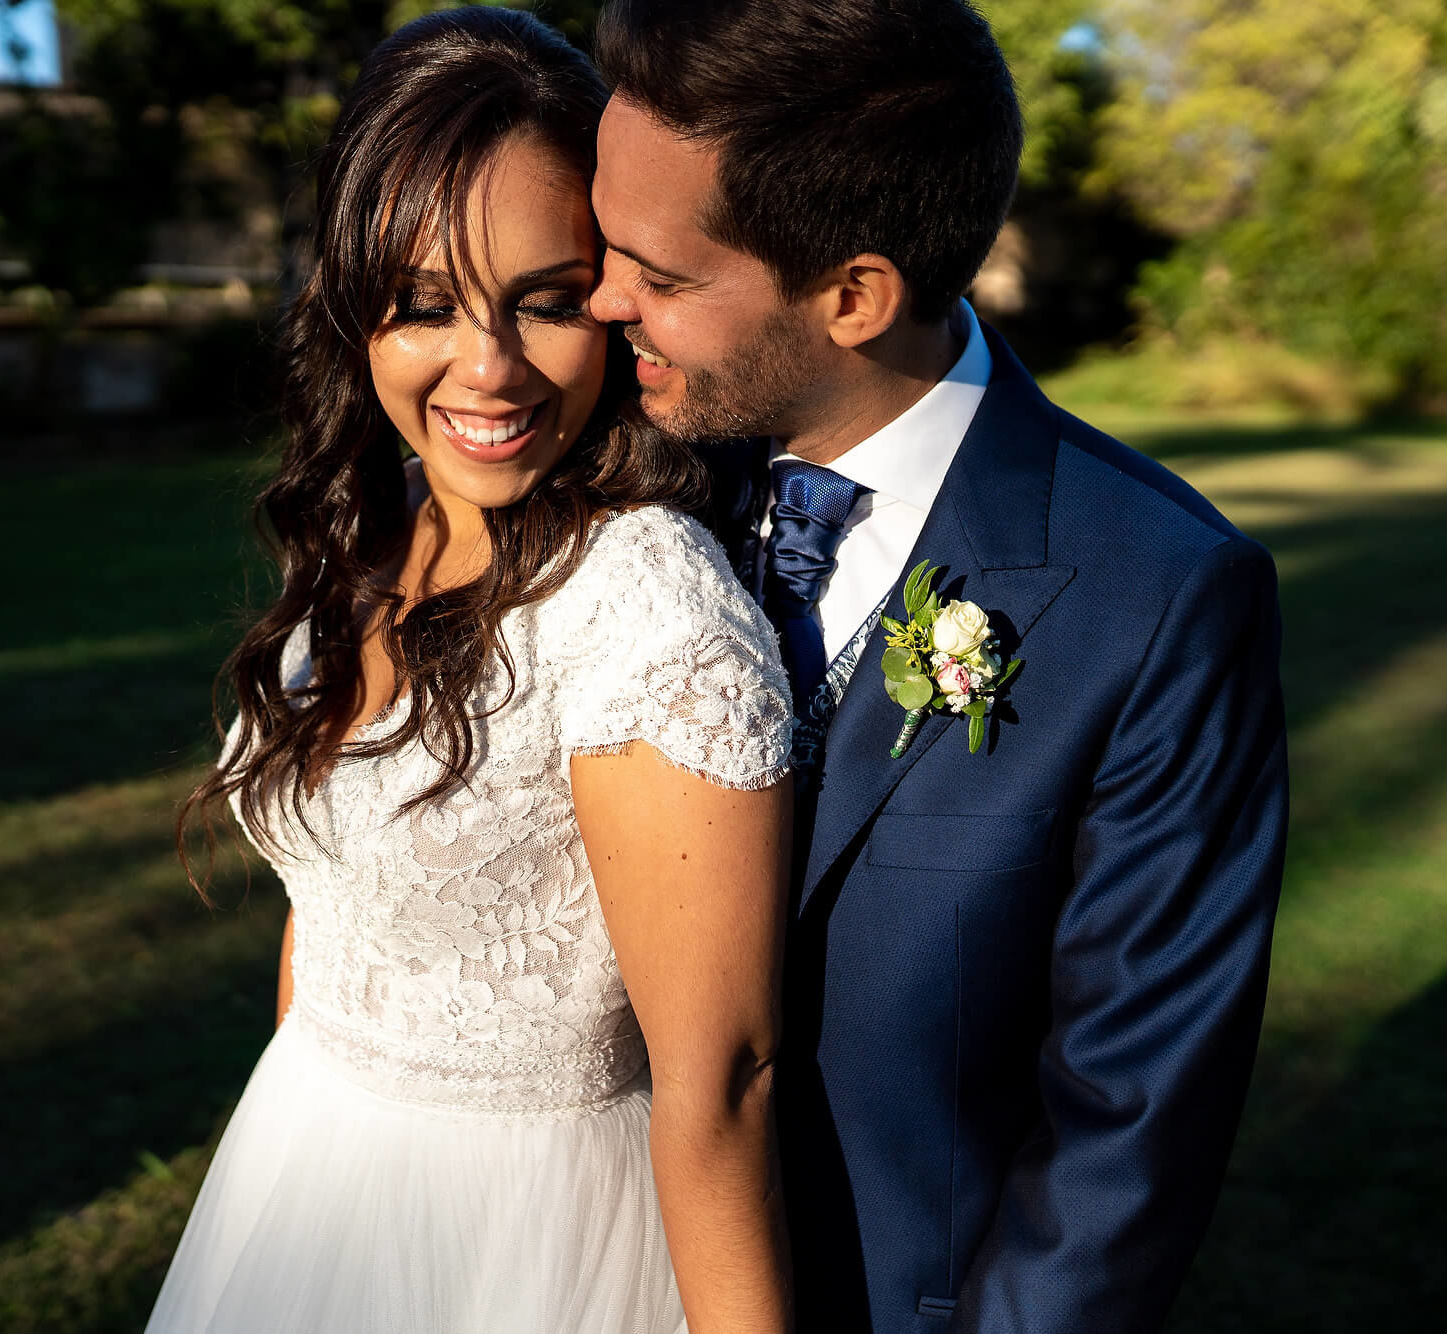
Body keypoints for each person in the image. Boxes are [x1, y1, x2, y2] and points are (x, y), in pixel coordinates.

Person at [587, 1, 1290, 1330]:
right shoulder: (631, 483)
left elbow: (1124, 1134)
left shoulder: (1161, 597)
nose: (605, 297)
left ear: (856, 295)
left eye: (662, 275)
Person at [147, 10, 795, 1333]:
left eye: (548, 301)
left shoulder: (647, 607)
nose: (489, 370)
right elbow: (329, 917)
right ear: (354, 309)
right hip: (306, 1177)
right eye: (424, 306)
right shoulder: (376, 524)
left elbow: (722, 1085)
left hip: (528, 1242)